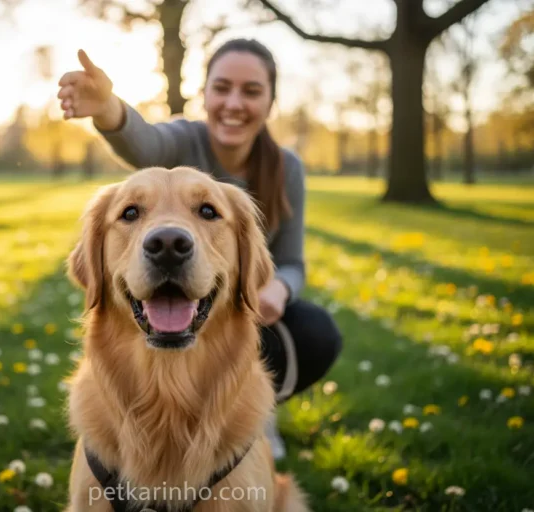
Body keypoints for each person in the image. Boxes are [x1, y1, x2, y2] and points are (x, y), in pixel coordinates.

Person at [57, 38, 342, 459]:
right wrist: (107, 108)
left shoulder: (287, 168)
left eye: (251, 91)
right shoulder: (181, 140)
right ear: (204, 94)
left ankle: (251, 415)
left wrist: (277, 289)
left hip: (244, 303)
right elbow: (143, 143)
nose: (233, 102)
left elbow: (292, 261)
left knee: (316, 330)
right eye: (221, 87)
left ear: (270, 102)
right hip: (179, 293)